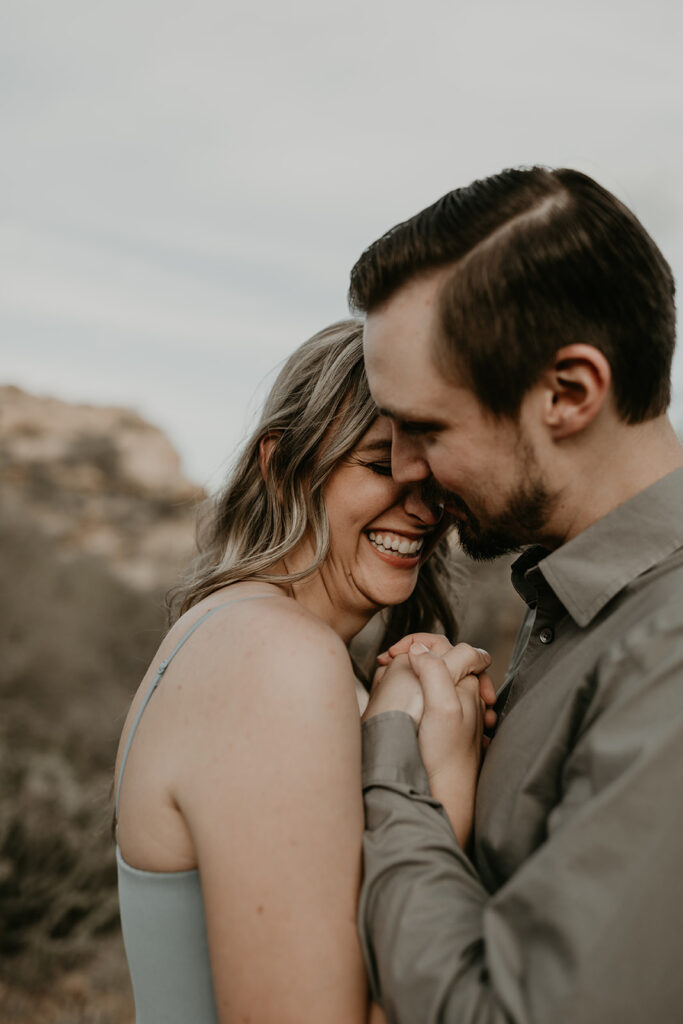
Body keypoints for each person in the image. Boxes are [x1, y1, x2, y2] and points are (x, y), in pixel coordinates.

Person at [348, 167, 683, 1022]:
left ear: (568, 394)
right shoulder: (575, 603)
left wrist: (397, 771)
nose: (404, 469)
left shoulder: (668, 651)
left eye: (425, 428)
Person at [113, 319, 493, 1024]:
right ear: (279, 462)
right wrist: (438, 793)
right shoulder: (273, 656)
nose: (419, 507)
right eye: (380, 466)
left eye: (433, 476)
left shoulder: (244, 632)